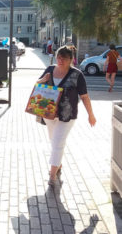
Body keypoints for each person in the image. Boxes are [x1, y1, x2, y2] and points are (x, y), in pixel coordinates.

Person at [37, 45, 96, 187]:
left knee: (57, 142)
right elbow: (36, 85)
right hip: (49, 113)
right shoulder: (50, 70)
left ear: (71, 59)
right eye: (58, 57)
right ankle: (58, 164)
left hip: (67, 116)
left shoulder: (77, 75)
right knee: (54, 141)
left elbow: (85, 96)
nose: (60, 60)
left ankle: (52, 175)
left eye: (64, 58)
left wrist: (91, 114)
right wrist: (43, 80)